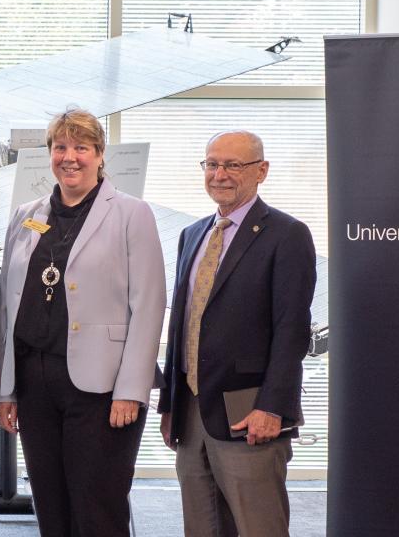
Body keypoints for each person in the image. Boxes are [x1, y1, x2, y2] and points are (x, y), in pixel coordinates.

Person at [0, 109, 166, 536]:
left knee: (96, 508)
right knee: (50, 506)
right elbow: (8, 305)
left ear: (100, 155)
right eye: (60, 147)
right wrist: (6, 388)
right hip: (35, 381)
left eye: (81, 148)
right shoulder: (26, 215)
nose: (70, 157)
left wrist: (132, 390)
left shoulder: (131, 213)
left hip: (102, 389)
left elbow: (149, 306)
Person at [157, 130, 316, 537]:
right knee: (202, 528)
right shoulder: (192, 235)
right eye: (212, 164)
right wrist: (170, 404)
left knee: (258, 527)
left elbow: (291, 331)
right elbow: (183, 324)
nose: (219, 174)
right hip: (192, 415)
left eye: (232, 165)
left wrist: (272, 406)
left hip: (250, 413)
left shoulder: (287, 234)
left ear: (261, 171)